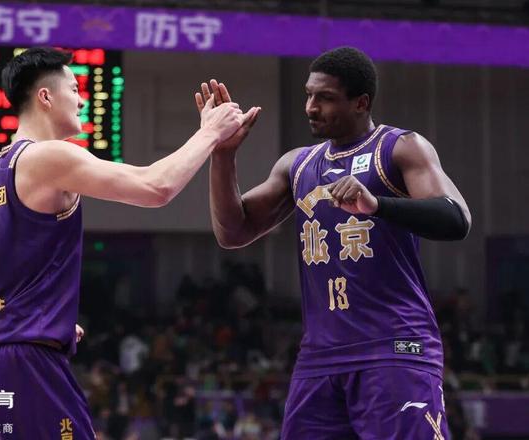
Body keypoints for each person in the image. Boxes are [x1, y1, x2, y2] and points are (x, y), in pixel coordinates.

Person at [0, 46, 252, 439]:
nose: (81, 99)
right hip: (20, 363)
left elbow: (0, 271)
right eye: (74, 89)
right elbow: (156, 187)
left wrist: (45, 318)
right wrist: (209, 132)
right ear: (45, 97)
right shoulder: (47, 157)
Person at [199, 46, 471, 439]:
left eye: (325, 98)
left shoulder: (399, 147)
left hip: (393, 348)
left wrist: (377, 205)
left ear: (361, 102)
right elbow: (232, 232)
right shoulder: (298, 164)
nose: (311, 107)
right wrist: (223, 156)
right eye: (309, 95)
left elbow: (456, 218)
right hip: (320, 358)